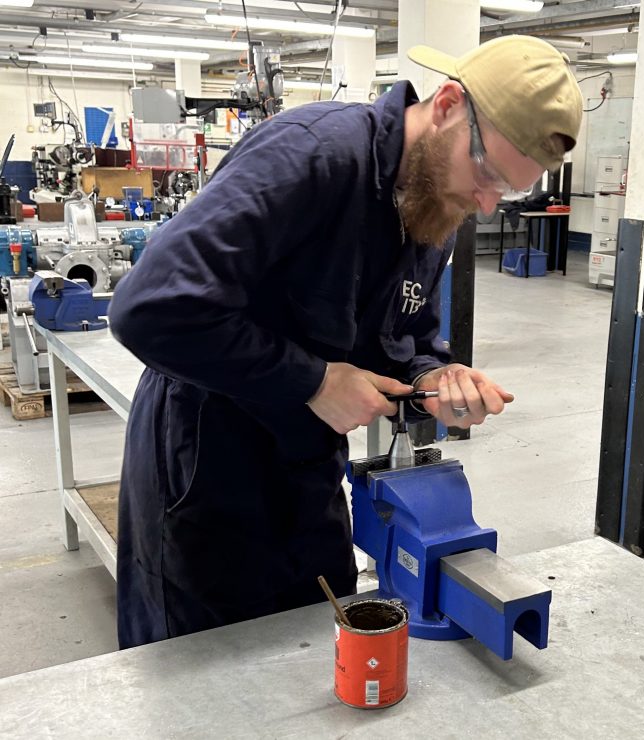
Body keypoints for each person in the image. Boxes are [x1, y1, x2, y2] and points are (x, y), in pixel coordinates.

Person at [109, 35, 583, 648]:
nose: (487, 204)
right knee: (208, 682)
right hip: (205, 475)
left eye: (507, 192)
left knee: (317, 652)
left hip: (308, 480)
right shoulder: (313, 155)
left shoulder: (432, 204)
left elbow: (405, 335)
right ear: (446, 105)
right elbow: (150, 308)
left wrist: (431, 379)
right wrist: (313, 381)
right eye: (487, 173)